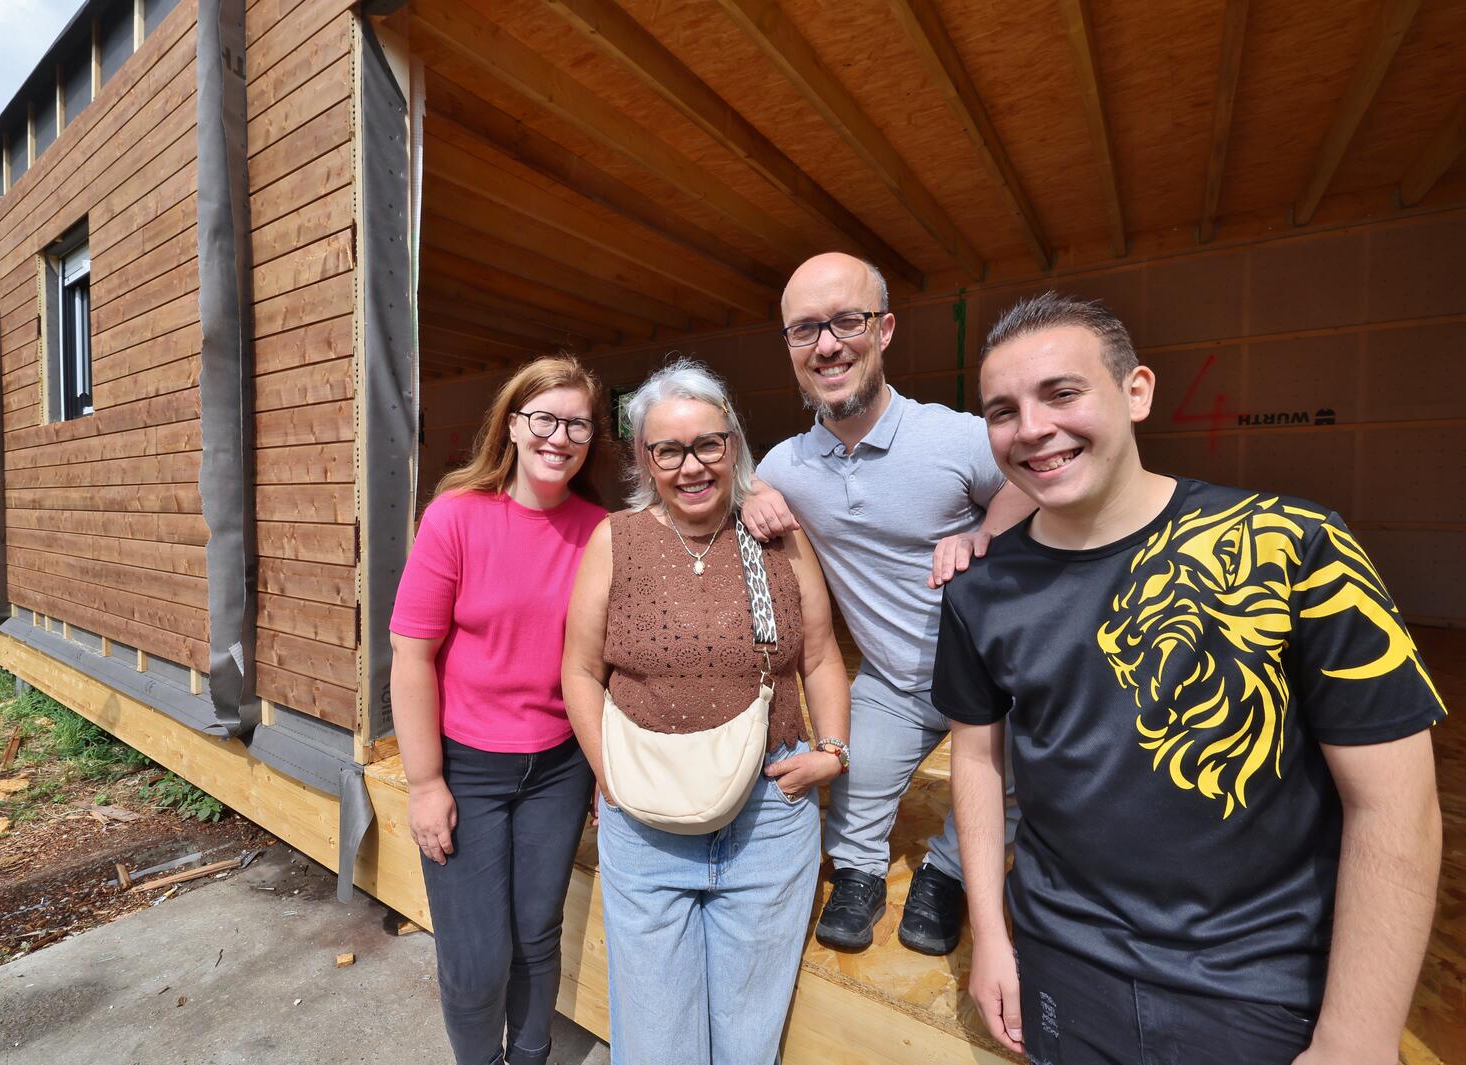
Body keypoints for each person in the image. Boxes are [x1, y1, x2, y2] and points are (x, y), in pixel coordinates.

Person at [936, 292, 1446, 1063]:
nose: (1032, 427)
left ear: (1136, 391)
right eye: (1002, 409)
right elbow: (975, 757)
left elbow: (1396, 804)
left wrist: (1358, 1036)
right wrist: (993, 937)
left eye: (1062, 392)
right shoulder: (980, 589)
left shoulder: (1297, 546)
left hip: (1262, 982)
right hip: (1065, 964)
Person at [741, 251, 1035, 955]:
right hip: (895, 679)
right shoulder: (786, 465)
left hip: (995, 679)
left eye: (847, 320)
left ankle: (948, 872)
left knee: (1025, 779)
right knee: (857, 785)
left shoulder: (954, 435)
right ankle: (862, 873)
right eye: (805, 329)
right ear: (788, 345)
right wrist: (751, 495)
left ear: (886, 329)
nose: (829, 344)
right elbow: (733, 483)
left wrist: (984, 531)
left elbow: (1033, 479)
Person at [562, 358, 850, 1065]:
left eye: (708, 444)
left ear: (732, 445)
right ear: (644, 458)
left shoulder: (775, 535)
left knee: (748, 1043)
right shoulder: (615, 541)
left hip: (766, 820)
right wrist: (612, 775)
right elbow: (579, 670)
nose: (691, 466)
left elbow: (819, 657)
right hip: (648, 827)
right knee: (658, 1044)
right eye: (669, 449)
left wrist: (834, 751)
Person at [389, 355, 612, 1065]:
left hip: (559, 765)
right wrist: (425, 782)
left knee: (537, 933)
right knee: (478, 955)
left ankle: (531, 1057)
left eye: (577, 423)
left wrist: (607, 769)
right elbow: (411, 656)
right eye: (544, 418)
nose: (560, 436)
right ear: (513, 424)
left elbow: (612, 665)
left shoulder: (602, 530)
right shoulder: (455, 515)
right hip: (467, 768)